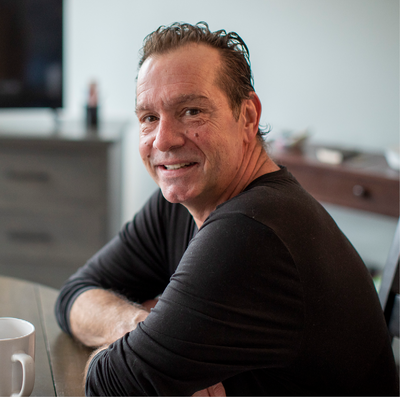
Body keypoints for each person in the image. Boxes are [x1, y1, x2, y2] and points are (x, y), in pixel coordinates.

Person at [55, 22, 399, 396]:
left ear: (248, 117)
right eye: (149, 118)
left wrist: (127, 354)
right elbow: (74, 294)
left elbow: (111, 386)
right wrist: (138, 325)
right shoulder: (181, 200)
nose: (164, 140)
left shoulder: (253, 230)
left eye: (191, 111)